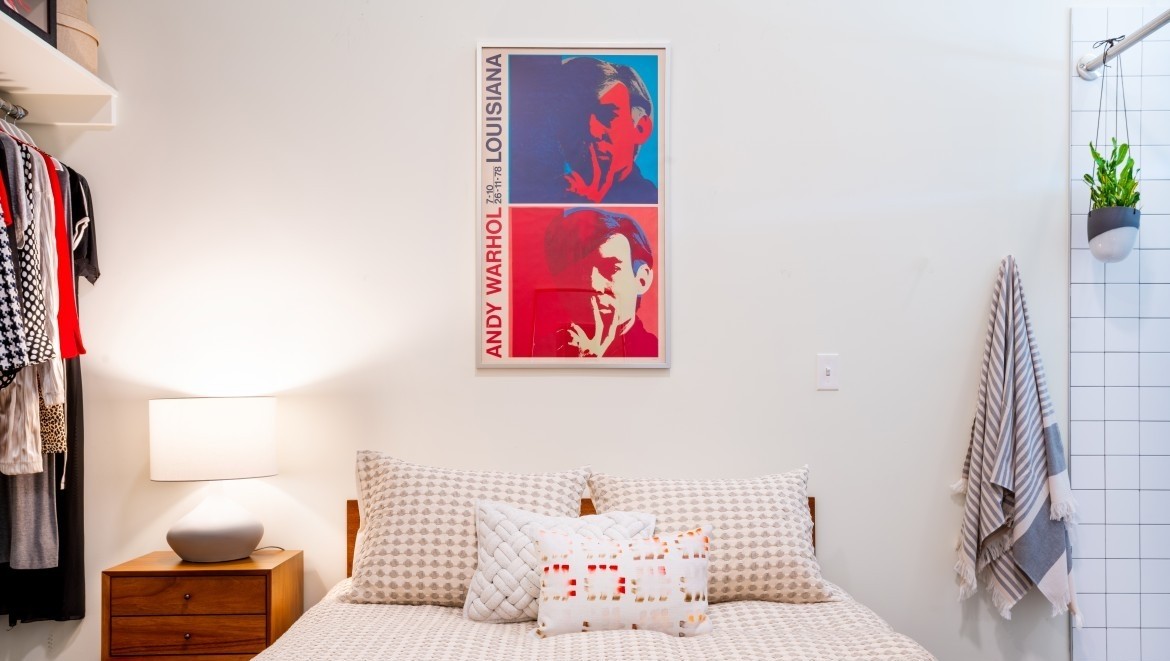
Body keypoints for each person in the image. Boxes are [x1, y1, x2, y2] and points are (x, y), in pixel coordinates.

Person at [542, 208, 657, 358]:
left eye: (610, 268)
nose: (594, 285)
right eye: (577, 272)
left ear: (642, 279)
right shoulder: (543, 351)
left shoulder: (652, 352)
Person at [554, 57, 657, 204]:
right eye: (576, 117)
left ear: (641, 129)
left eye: (607, 115)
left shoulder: (652, 202)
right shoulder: (546, 195)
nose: (593, 132)